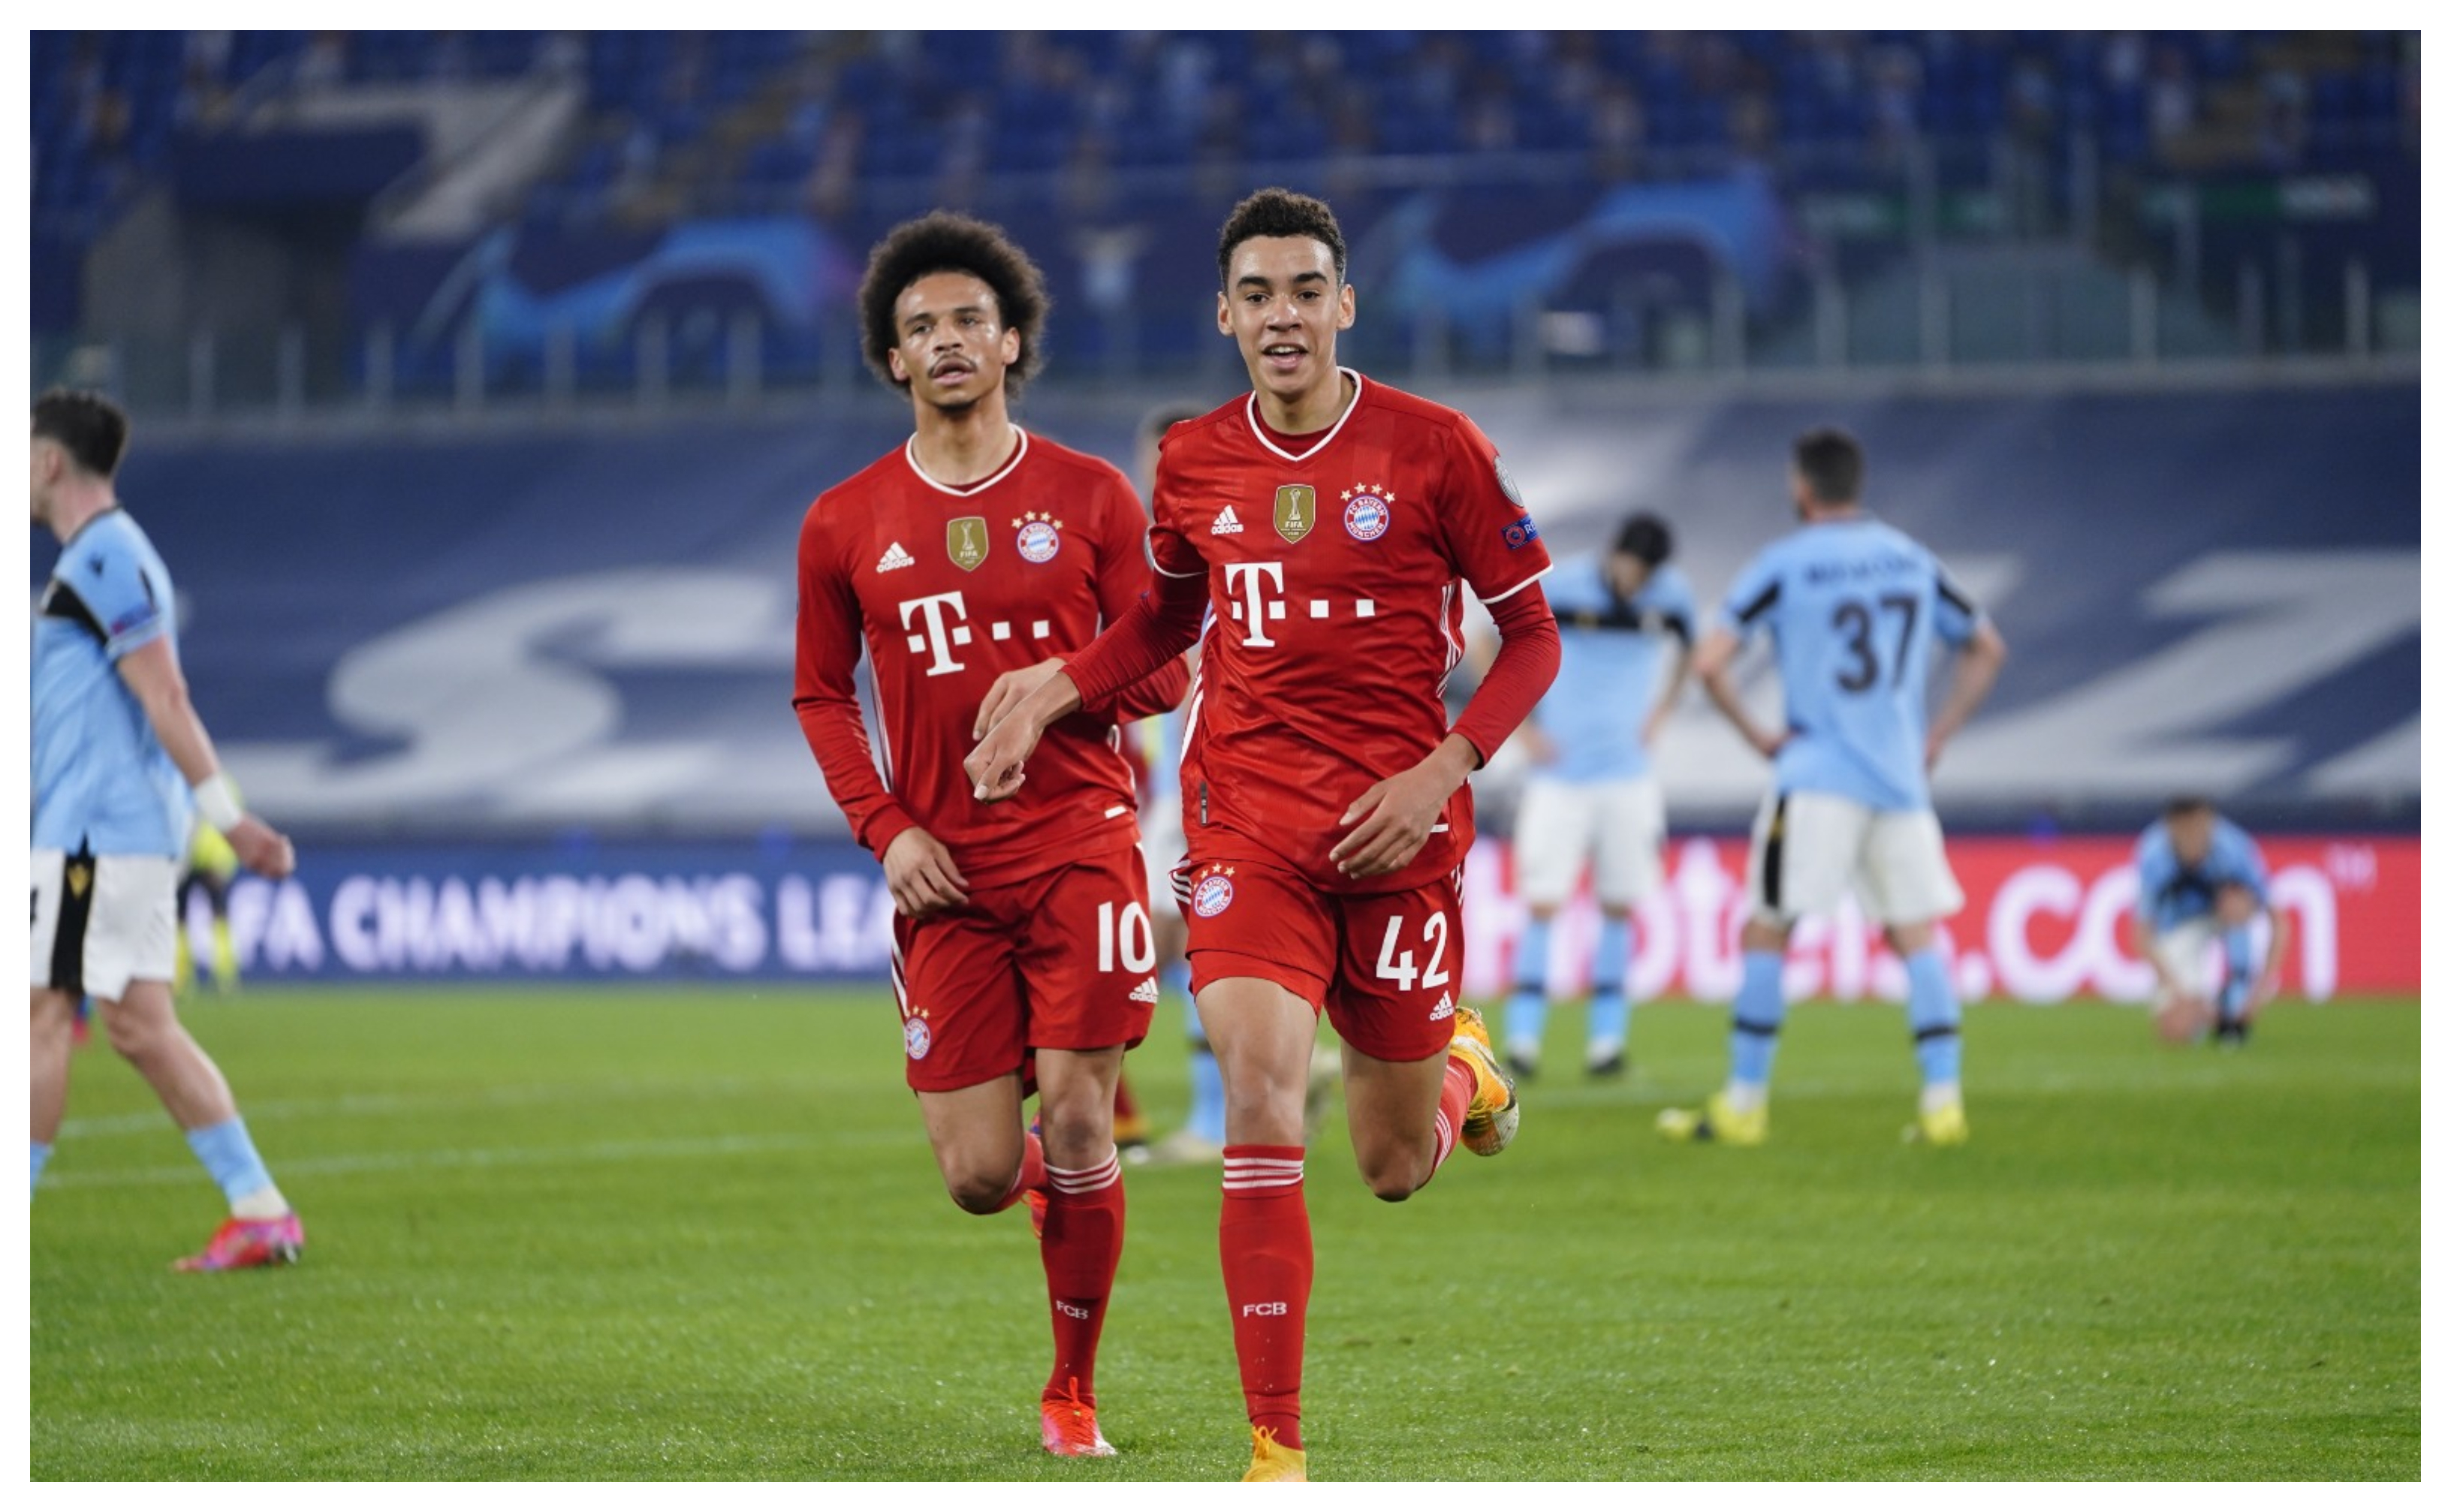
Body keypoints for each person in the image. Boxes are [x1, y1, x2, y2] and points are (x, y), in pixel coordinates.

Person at [965, 187, 1561, 1481]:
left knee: (1394, 1163)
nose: (1280, 315)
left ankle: (1464, 1066)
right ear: (1224, 314)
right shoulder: (1191, 459)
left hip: (1400, 830)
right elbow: (1159, 627)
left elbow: (1531, 636)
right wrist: (1057, 684)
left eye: (1303, 291)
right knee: (1256, 1092)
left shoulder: (1434, 447)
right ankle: (1274, 1449)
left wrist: (1443, 764)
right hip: (1246, 813)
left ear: (1342, 305)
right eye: (1255, 294)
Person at [791, 212, 1189, 1459]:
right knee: (976, 1173)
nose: (946, 339)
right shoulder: (843, 522)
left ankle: (1070, 1391)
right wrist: (886, 827)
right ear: (890, 362)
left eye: (967, 318)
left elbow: (1163, 669)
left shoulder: (1086, 494)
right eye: (918, 327)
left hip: (1078, 846)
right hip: (941, 874)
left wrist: (1057, 689)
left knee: (1077, 1120)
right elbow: (817, 692)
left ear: (1011, 339)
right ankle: (1078, 1197)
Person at [1657, 425, 2007, 1149]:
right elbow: (1985, 646)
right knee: (1916, 933)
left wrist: (1757, 736)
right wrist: (1937, 735)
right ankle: (1944, 1106)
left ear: (1802, 487)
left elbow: (1712, 660)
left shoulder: (1786, 564)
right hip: (1901, 779)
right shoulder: (1909, 559)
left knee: (1767, 927)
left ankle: (1744, 1105)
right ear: (1857, 483)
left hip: (1815, 776)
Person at [31, 388, 304, 1270]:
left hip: (91, 837)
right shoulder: (102, 558)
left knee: (38, 1012)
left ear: (47, 462)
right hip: (125, 832)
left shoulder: (105, 555)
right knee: (143, 1026)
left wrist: (235, 819)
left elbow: (166, 695)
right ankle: (260, 1209)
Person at [1500, 511, 1694, 1081]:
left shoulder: (1673, 596)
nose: (1635, 583)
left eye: (1645, 574)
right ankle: (1522, 1044)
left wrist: (1661, 712)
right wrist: (1523, 726)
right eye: (1630, 568)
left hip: (1628, 776)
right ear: (1613, 554)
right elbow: (1492, 639)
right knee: (1542, 904)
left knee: (1618, 905)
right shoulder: (1562, 585)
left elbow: (1691, 653)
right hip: (1559, 777)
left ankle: (1606, 1046)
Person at [2131, 797, 2290, 1046]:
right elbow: (2142, 935)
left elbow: (2277, 921)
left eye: (2199, 829)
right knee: (2175, 1033)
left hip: (2228, 918)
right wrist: (2180, 994)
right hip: (2179, 925)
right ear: (2171, 829)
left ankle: (2238, 991)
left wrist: (2259, 993)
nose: (2193, 838)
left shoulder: (2233, 847)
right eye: (2185, 831)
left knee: (2234, 900)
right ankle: (2206, 1013)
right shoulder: (2154, 854)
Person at [174, 814, 243, 995]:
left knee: (217, 917)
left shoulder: (222, 787)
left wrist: (221, 862)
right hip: (186, 861)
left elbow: (231, 823)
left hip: (207, 862)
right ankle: (181, 977)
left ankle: (224, 976)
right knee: (179, 920)